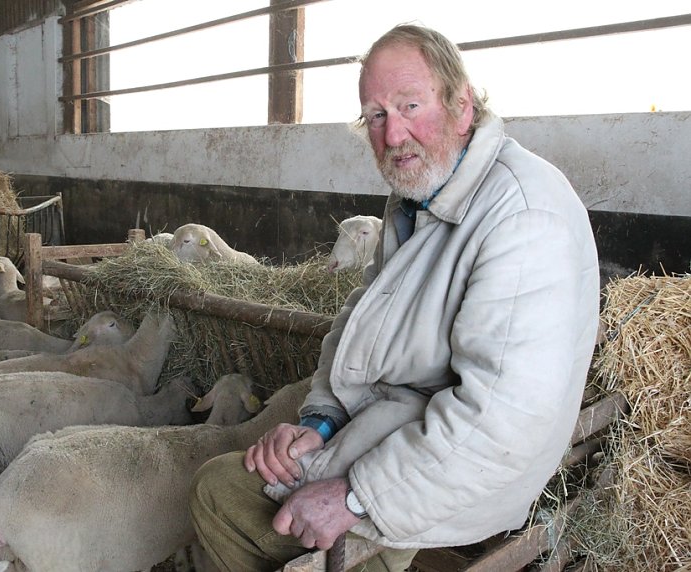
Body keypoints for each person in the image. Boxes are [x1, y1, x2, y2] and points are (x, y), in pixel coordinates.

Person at [189, 23, 600, 571]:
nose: (393, 134)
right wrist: (321, 422)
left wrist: (354, 497)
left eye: (410, 105)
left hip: (465, 472)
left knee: (217, 491)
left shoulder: (522, 216)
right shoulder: (421, 196)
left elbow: (501, 423)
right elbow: (364, 314)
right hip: (409, 424)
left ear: (463, 106)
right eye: (377, 115)